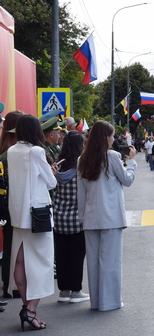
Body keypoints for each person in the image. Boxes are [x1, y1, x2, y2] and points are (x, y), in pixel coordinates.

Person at [77, 120, 137, 311]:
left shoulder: (82, 159)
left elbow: (81, 193)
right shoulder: (112, 156)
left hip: (90, 216)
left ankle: (96, 301)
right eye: (111, 135)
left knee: (93, 262)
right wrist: (133, 161)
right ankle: (109, 302)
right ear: (105, 137)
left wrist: (81, 217)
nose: (113, 139)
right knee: (110, 261)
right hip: (111, 216)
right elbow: (127, 180)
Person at [7, 114, 58, 330]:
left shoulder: (11, 151)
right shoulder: (37, 151)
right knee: (43, 263)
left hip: (18, 214)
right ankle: (31, 309)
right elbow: (52, 182)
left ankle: (26, 306)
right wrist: (51, 170)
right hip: (38, 214)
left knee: (19, 261)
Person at [53, 130, 90, 303]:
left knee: (61, 256)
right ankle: (76, 291)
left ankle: (63, 291)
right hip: (77, 219)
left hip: (59, 218)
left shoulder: (58, 165)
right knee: (76, 256)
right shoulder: (82, 167)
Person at [1, 109, 23, 299]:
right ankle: (10, 285)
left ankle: (10, 284)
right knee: (12, 246)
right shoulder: (11, 153)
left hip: (7, 204)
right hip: (11, 204)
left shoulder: (6, 150)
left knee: (11, 245)